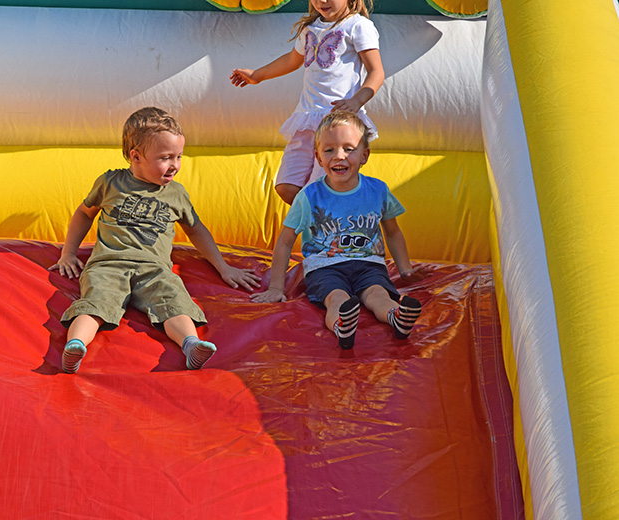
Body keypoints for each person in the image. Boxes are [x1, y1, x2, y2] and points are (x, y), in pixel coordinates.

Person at [50, 107, 261, 373]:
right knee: (97, 301)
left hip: (155, 269)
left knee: (173, 299)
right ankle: (76, 345)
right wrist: (68, 253)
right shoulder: (111, 182)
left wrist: (224, 267)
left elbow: (196, 230)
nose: (175, 165)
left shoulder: (175, 193)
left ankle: (191, 343)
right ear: (136, 156)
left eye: (179, 156)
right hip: (108, 263)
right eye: (165, 157)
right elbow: (84, 213)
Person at [250, 111, 422, 349]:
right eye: (329, 150)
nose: (339, 156)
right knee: (337, 297)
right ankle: (342, 324)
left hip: (369, 263)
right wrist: (276, 287)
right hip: (325, 266)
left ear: (365, 155)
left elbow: (392, 231)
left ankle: (397, 317)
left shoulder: (378, 190)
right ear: (318, 158)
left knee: (377, 294)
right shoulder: (309, 196)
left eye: (348, 149)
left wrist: (404, 267)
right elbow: (285, 240)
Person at [230, 0, 384, 205]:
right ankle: (323, 219)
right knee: (287, 186)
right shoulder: (310, 28)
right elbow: (292, 60)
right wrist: (257, 75)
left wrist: (357, 100)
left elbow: (377, 71)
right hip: (307, 119)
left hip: (337, 124)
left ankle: (328, 228)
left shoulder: (357, 25)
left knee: (322, 188)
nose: (322, 1)